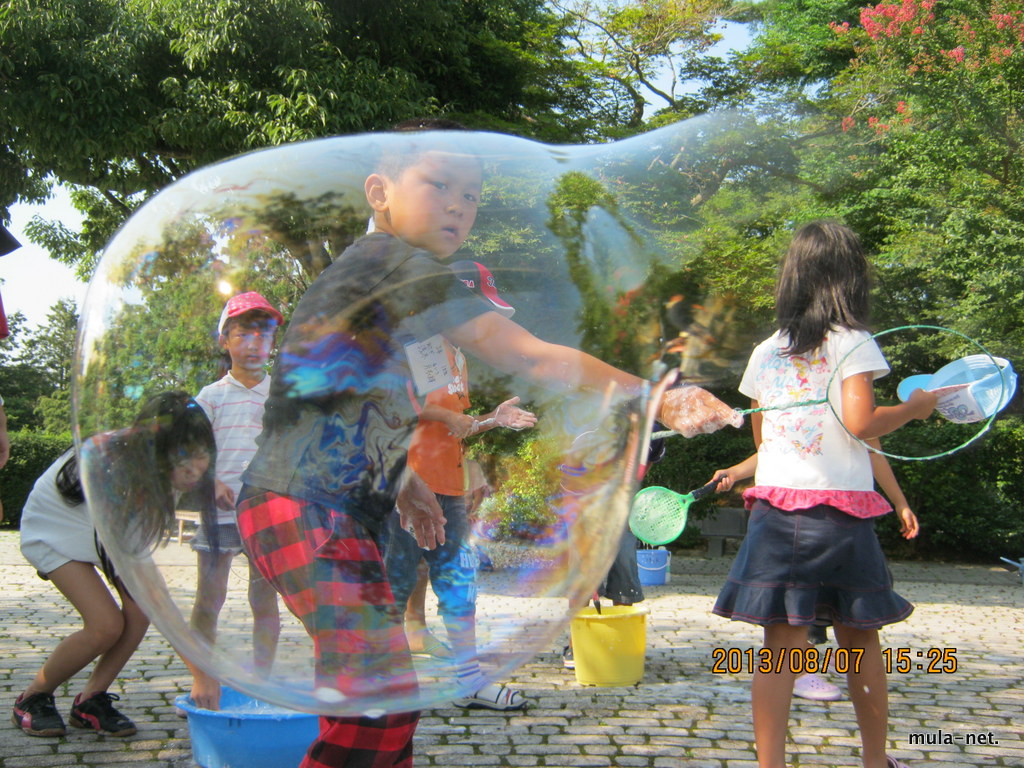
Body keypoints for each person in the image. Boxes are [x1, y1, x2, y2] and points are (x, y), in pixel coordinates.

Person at [236, 128, 743, 768]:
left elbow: (345, 404)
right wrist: (660, 396)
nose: (457, 205)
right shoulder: (395, 262)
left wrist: (406, 484)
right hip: (301, 504)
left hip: (314, 503)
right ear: (380, 191)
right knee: (379, 703)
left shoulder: (380, 280)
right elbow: (524, 353)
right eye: (438, 185)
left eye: (471, 195)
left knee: (385, 702)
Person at [709, 221, 936, 768]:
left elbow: (770, 445)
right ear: (849, 277)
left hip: (776, 516)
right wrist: (916, 407)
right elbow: (862, 423)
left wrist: (745, 473)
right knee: (860, 641)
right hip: (839, 518)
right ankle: (876, 763)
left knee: (779, 651)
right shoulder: (853, 342)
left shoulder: (766, 352)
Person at [13, 391, 216, 738]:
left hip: (96, 533)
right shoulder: (118, 473)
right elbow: (155, 592)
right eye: (186, 458)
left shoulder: (159, 473)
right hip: (53, 528)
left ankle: (90, 700)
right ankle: (33, 697)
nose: (196, 469)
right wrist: (201, 673)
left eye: (201, 456)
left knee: (138, 613)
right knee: (105, 625)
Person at [383, 259, 537, 711]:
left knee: (458, 580)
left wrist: (493, 420)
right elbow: (392, 409)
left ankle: (468, 681)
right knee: (392, 582)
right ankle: (379, 683)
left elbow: (458, 427)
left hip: (448, 488)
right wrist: (446, 417)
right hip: (409, 490)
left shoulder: (459, 357)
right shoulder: (421, 347)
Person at [714, 446, 921, 702]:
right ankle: (801, 670)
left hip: (845, 518)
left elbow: (871, 448)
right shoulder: (771, 406)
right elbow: (772, 445)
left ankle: (812, 664)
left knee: (853, 624)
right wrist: (735, 472)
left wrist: (900, 502)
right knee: (789, 620)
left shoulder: (851, 410)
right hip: (785, 516)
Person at [185, 292, 284, 711]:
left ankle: (261, 681)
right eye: (242, 333)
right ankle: (202, 677)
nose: (252, 343)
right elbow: (191, 453)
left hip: (268, 513)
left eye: (261, 334)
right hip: (221, 512)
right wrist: (210, 483)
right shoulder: (210, 396)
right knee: (210, 597)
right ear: (225, 341)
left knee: (265, 600)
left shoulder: (282, 395)